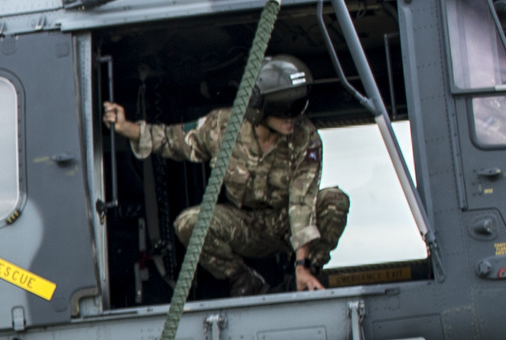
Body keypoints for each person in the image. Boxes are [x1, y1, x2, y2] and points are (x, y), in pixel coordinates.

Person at [104, 54, 352, 296]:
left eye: (299, 106)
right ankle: (243, 279)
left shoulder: (304, 138)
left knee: (334, 201)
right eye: (285, 109)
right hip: (245, 226)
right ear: (259, 107)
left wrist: (302, 266)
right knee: (189, 223)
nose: (293, 117)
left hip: (286, 223)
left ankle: (306, 278)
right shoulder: (223, 127)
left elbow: (302, 204)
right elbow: (172, 140)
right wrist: (127, 128)